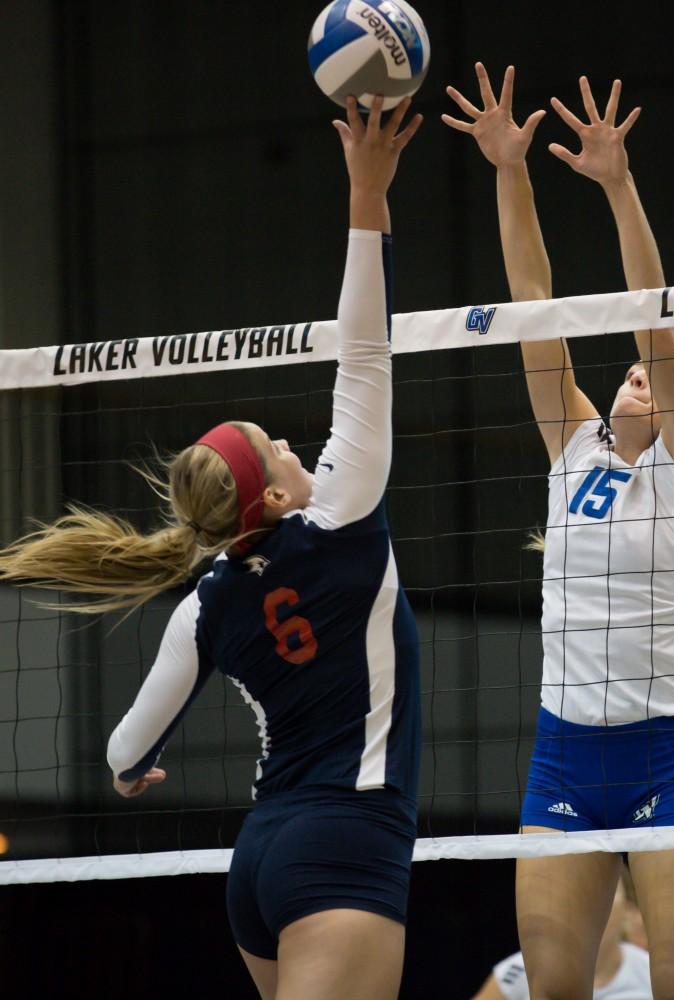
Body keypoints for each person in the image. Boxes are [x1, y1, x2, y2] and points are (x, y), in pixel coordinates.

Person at [0, 95, 423, 1000]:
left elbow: (122, 748)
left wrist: (131, 770)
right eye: (280, 447)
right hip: (345, 847)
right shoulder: (341, 514)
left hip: (262, 864)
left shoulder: (206, 602)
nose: (298, 448)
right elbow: (364, 348)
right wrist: (366, 191)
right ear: (271, 495)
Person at [444, 63, 674, 1000]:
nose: (638, 379)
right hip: (564, 756)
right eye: (635, 378)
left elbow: (656, 328)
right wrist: (507, 170)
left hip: (667, 755)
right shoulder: (573, 448)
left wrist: (618, 184)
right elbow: (533, 299)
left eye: (659, 382)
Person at [472, 876, 652, 999]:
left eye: (607, 890)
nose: (595, 902)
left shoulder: (650, 972)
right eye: (581, 892)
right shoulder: (520, 969)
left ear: (628, 909)